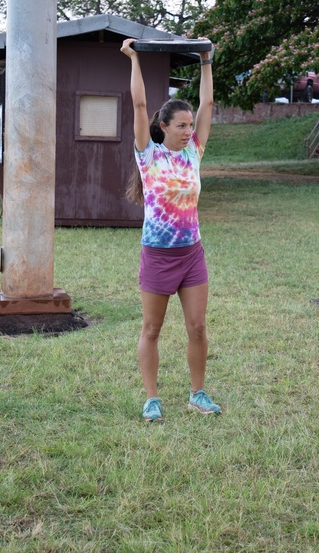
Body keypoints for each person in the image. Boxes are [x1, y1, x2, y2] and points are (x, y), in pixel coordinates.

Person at [120, 37, 220, 422]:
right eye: (180, 125)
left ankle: (198, 394)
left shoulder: (194, 151)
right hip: (158, 255)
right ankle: (152, 399)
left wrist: (205, 61)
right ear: (163, 127)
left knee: (197, 327)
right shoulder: (149, 153)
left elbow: (209, 103)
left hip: (191, 254)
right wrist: (133, 58)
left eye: (190, 125)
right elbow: (140, 103)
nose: (187, 130)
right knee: (151, 329)